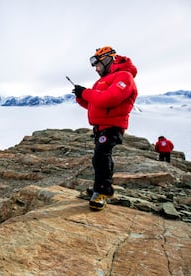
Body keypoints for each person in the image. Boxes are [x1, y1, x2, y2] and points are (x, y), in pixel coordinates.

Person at [72, 46, 138, 210]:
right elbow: (95, 104)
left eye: (97, 64)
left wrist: (86, 92)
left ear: (108, 59)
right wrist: (81, 97)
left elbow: (109, 99)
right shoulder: (103, 80)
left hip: (112, 126)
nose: (96, 69)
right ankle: (99, 189)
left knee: (102, 156)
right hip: (100, 126)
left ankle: (103, 191)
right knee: (98, 158)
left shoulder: (124, 76)